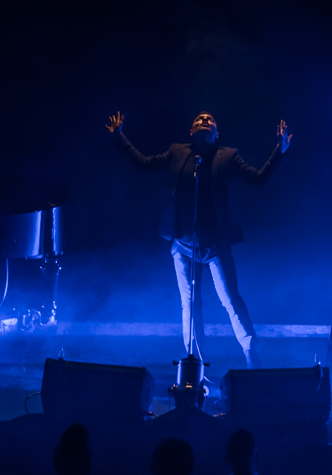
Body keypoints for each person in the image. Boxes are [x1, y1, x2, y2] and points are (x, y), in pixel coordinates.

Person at [107, 110, 291, 368]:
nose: (205, 120)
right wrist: (119, 137)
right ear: (191, 132)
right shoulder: (176, 152)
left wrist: (279, 151)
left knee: (230, 299)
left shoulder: (228, 156)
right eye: (199, 119)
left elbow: (258, 179)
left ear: (216, 134)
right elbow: (144, 164)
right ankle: (195, 365)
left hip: (215, 245)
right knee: (190, 304)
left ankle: (251, 354)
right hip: (183, 246)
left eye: (210, 120)